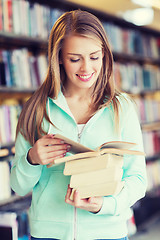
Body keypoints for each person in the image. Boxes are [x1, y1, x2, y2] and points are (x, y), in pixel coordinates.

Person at [10, 9, 147, 240]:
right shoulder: (37, 109)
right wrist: (32, 159)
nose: (86, 69)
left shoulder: (122, 107)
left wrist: (104, 205)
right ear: (59, 58)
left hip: (107, 233)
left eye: (94, 57)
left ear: (104, 54)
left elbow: (138, 179)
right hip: (48, 234)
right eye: (75, 59)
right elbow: (18, 186)